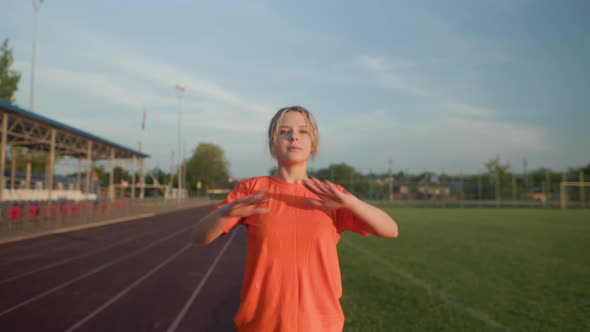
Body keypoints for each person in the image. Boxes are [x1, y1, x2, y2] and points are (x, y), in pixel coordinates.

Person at [192, 106, 398, 332]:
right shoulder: (252, 189)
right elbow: (199, 237)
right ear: (273, 144)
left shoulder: (330, 193)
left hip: (321, 324)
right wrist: (224, 213)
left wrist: (351, 202)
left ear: (313, 144)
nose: (293, 136)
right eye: (284, 131)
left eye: (303, 131)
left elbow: (391, 229)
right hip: (261, 325)